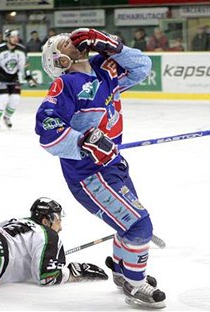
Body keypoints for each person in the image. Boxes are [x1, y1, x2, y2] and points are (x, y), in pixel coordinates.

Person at [36, 28, 166, 309]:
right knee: (138, 224)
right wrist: (84, 142)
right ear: (60, 60)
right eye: (64, 43)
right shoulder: (66, 84)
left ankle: (122, 272)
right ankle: (135, 282)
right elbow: (47, 129)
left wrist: (111, 44)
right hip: (88, 174)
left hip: (113, 165)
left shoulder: (105, 68)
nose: (72, 40)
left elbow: (143, 67)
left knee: (127, 222)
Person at [0, 29, 36, 130]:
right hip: (0, 77)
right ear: (7, 38)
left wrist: (29, 78)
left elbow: (24, 66)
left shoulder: (21, 50)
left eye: (16, 36)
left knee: (15, 99)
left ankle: (7, 117)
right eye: (13, 36)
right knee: (3, 98)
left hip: (13, 77)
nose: (16, 39)